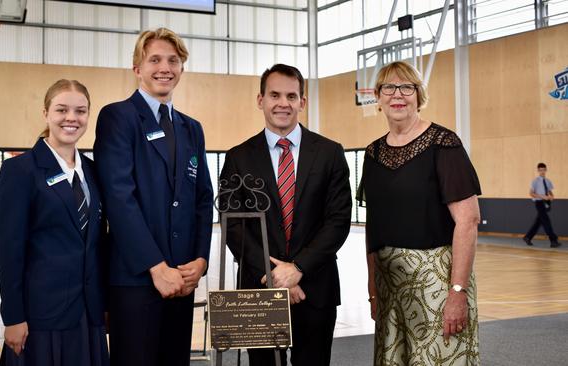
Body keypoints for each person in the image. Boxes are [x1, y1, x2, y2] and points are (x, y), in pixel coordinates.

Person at [93, 27, 213, 366]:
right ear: (137, 69)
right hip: (136, 278)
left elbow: (203, 199)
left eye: (173, 61)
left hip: (182, 278)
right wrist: (156, 267)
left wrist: (200, 261)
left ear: (182, 69)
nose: (165, 68)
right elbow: (119, 199)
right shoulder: (118, 117)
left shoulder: (192, 128)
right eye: (155, 60)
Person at [220, 63, 352, 366]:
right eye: (275, 95)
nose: (283, 103)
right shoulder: (238, 157)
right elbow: (234, 224)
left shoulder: (330, 153)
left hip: (315, 287)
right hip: (259, 286)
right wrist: (273, 274)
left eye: (291, 96)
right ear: (260, 100)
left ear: (302, 102)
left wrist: (299, 268)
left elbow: (338, 220)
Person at [357, 61, 482, 365]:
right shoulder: (373, 154)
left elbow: (468, 221)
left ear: (418, 94)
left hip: (438, 283)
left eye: (406, 87)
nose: (397, 94)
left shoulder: (444, 143)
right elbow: (373, 228)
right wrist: (373, 287)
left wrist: (457, 292)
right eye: (389, 87)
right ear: (378, 96)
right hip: (389, 285)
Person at [0, 79, 109, 366]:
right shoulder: (20, 171)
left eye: (80, 111)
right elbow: (10, 252)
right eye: (62, 110)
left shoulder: (94, 172)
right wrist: (13, 317)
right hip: (42, 315)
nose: (71, 118)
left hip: (88, 312)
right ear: (46, 113)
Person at [523, 163, 561, 248]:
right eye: (540, 170)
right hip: (539, 203)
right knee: (546, 221)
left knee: (539, 221)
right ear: (538, 171)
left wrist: (551, 196)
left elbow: (550, 191)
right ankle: (553, 240)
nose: (542, 172)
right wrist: (542, 196)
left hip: (546, 203)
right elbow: (531, 193)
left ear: (546, 170)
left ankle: (527, 237)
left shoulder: (548, 181)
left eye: (543, 170)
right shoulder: (535, 181)